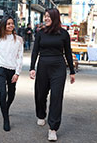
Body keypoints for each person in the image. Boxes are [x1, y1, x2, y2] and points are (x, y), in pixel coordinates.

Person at [29, 8, 75, 141]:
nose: (46, 19)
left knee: (56, 97)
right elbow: (35, 51)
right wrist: (32, 68)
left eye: (49, 16)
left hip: (58, 68)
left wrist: (72, 71)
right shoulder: (40, 33)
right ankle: (41, 114)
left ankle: (53, 128)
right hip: (43, 66)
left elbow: (68, 53)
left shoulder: (64, 34)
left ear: (55, 18)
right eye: (45, 16)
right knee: (40, 94)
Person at [0, 16, 24, 132]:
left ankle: (6, 108)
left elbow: (20, 57)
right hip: (0, 67)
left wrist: (17, 73)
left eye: (12, 23)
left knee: (11, 94)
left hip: (12, 69)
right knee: (2, 93)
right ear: (3, 26)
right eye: (8, 24)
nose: (11, 25)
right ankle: (6, 119)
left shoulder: (19, 39)